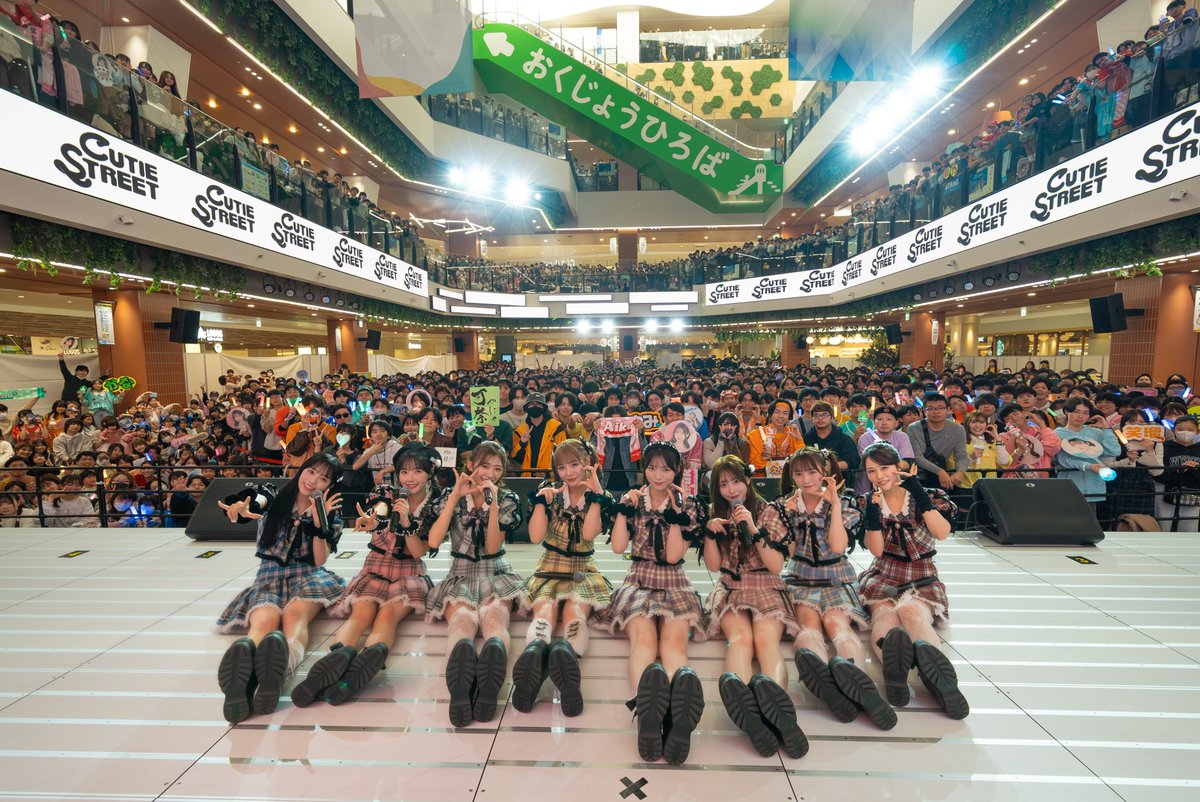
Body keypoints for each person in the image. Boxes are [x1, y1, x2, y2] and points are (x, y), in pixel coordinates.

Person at [291, 443, 441, 707]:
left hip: (409, 572)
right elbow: (379, 510)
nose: (410, 478)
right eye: (404, 471)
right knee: (361, 614)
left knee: (387, 615)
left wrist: (406, 522)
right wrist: (376, 519)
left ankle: (360, 666)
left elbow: (419, 552)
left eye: (417, 471)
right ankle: (336, 662)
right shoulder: (387, 492)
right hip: (375, 566)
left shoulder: (434, 505)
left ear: (430, 474)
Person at [763, 448, 897, 729]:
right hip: (801, 577)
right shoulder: (782, 506)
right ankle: (830, 686)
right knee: (809, 626)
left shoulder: (845, 502)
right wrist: (789, 516)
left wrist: (834, 503)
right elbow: (787, 552)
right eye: (799, 474)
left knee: (838, 624)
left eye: (812, 472)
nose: (806, 480)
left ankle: (860, 686)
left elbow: (837, 546)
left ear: (825, 472)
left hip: (837, 575)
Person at [214, 453, 347, 723]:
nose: (313, 481)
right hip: (269, 575)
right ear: (302, 470)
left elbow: (319, 560)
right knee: (264, 620)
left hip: (307, 574)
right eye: (311, 472)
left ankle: (278, 673)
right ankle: (244, 672)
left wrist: (319, 522)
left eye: (323, 479)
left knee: (295, 617)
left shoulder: (330, 512)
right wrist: (240, 507)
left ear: (330, 486)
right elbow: (254, 502)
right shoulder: (273, 494)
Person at [597, 442, 706, 765]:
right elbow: (619, 547)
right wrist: (623, 510)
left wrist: (675, 513)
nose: (658, 475)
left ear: (677, 471)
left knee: (674, 643)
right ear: (644, 469)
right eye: (652, 468)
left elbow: (673, 556)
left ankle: (673, 712)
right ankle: (645, 708)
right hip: (639, 578)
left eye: (666, 469)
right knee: (643, 639)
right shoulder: (634, 500)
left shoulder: (689, 505)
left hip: (674, 580)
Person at [703, 455, 808, 759]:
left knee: (765, 640)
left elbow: (775, 566)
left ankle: (779, 711)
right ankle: (749, 710)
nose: (731, 489)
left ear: (748, 481)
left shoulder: (768, 511)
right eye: (723, 484)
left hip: (766, 583)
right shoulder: (715, 514)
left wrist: (752, 525)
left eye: (736, 481)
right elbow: (714, 566)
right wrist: (710, 533)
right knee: (740, 639)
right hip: (731, 586)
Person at [858, 443, 968, 720]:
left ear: (900, 467)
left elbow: (941, 533)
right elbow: (877, 551)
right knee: (884, 614)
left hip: (922, 573)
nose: (879, 476)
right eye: (872, 471)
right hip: (884, 571)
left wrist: (918, 491)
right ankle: (895, 672)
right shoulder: (868, 501)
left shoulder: (929, 495)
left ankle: (941, 680)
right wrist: (872, 513)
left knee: (912, 611)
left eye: (884, 468)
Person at [426, 442, 526, 727]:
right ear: (471, 465)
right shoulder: (451, 497)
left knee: (495, 620)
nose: (490, 474)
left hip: (496, 571)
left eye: (497, 469)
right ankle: (462, 687)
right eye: (485, 466)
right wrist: (455, 496)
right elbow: (433, 541)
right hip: (460, 574)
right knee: (462, 620)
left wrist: (492, 506)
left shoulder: (506, 499)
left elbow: (493, 547)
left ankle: (488, 686)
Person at [514, 440, 612, 716]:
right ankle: (537, 655)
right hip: (550, 565)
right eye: (561, 467)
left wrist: (596, 493)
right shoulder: (551, 494)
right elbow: (536, 537)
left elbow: (589, 534)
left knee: (575, 611)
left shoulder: (601, 497)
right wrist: (540, 504)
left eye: (574, 465)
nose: (568, 473)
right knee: (544, 608)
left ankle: (564, 660)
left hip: (582, 567)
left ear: (589, 464)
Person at [1053, 397, 1121, 505]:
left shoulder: (1096, 432)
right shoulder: (1057, 433)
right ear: (1066, 411)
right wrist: (1089, 466)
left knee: (1092, 515)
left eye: (1086, 413)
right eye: (1076, 411)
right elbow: (1063, 459)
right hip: (1069, 486)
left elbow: (1114, 451)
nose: (1081, 416)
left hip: (1094, 487)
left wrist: (1106, 429)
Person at [906, 393, 967, 494]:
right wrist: (940, 471)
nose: (936, 411)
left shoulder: (958, 429)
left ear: (948, 410)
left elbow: (961, 456)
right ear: (924, 411)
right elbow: (917, 457)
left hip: (943, 475)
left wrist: (960, 472)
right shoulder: (913, 428)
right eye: (930, 408)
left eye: (940, 408)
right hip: (919, 475)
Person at [1156, 415, 1200, 531]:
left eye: (1190, 430)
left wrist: (1196, 468)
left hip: (1194, 494)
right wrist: (1178, 469)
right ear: (1173, 430)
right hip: (1166, 492)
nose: (1185, 433)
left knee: (1190, 528)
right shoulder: (1165, 447)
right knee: (1164, 526)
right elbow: (1158, 472)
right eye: (1180, 429)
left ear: (1197, 431)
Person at [511, 392, 565, 475]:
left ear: (544, 408)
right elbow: (516, 459)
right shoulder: (520, 431)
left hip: (550, 477)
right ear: (526, 408)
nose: (535, 406)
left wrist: (547, 474)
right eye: (532, 404)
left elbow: (562, 456)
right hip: (527, 477)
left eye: (538, 404)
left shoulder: (556, 428)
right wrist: (522, 443)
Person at [747, 400, 805, 475]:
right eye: (777, 412)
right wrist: (763, 456)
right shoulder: (756, 434)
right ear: (771, 414)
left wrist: (799, 439)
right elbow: (753, 465)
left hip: (788, 478)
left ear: (789, 417)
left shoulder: (793, 433)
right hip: (763, 478)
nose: (781, 416)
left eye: (785, 413)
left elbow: (803, 460)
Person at [803, 402, 860, 474]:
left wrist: (832, 466)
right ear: (812, 419)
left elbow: (853, 460)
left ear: (832, 418)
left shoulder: (843, 438)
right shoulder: (806, 438)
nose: (820, 418)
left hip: (840, 476)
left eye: (824, 415)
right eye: (816, 415)